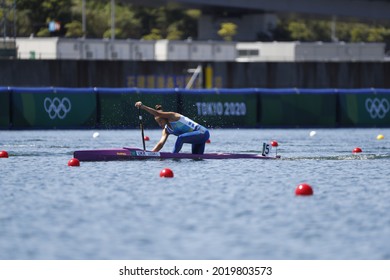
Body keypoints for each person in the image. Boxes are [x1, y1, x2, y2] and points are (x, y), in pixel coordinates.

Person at [135, 101, 210, 154]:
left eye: (161, 121)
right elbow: (160, 144)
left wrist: (143, 107)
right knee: (196, 158)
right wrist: (151, 154)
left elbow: (157, 113)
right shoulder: (166, 130)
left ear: (164, 117)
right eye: (158, 123)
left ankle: (174, 155)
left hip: (203, 132)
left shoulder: (173, 116)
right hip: (197, 139)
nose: (160, 124)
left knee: (180, 137)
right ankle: (175, 155)